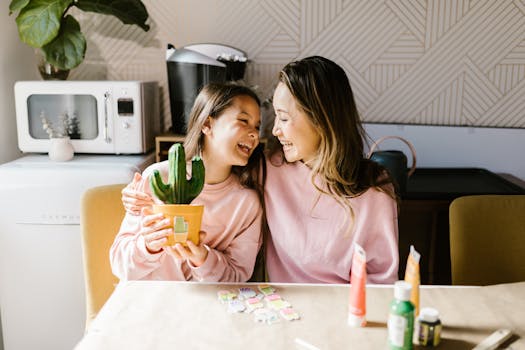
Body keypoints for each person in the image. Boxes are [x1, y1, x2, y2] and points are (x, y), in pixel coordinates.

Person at [122, 56, 399, 284]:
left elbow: (382, 284)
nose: (273, 132)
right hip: (282, 311)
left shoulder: (374, 188)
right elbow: (214, 169)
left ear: (323, 119)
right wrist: (135, 196)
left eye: (284, 118)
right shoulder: (268, 170)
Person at [111, 82, 264, 282]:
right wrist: (147, 246)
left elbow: (237, 276)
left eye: (258, 126)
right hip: (151, 303)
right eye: (243, 120)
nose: (254, 133)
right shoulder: (157, 179)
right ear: (207, 125)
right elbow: (120, 265)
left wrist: (203, 258)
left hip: (205, 307)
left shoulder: (247, 203)